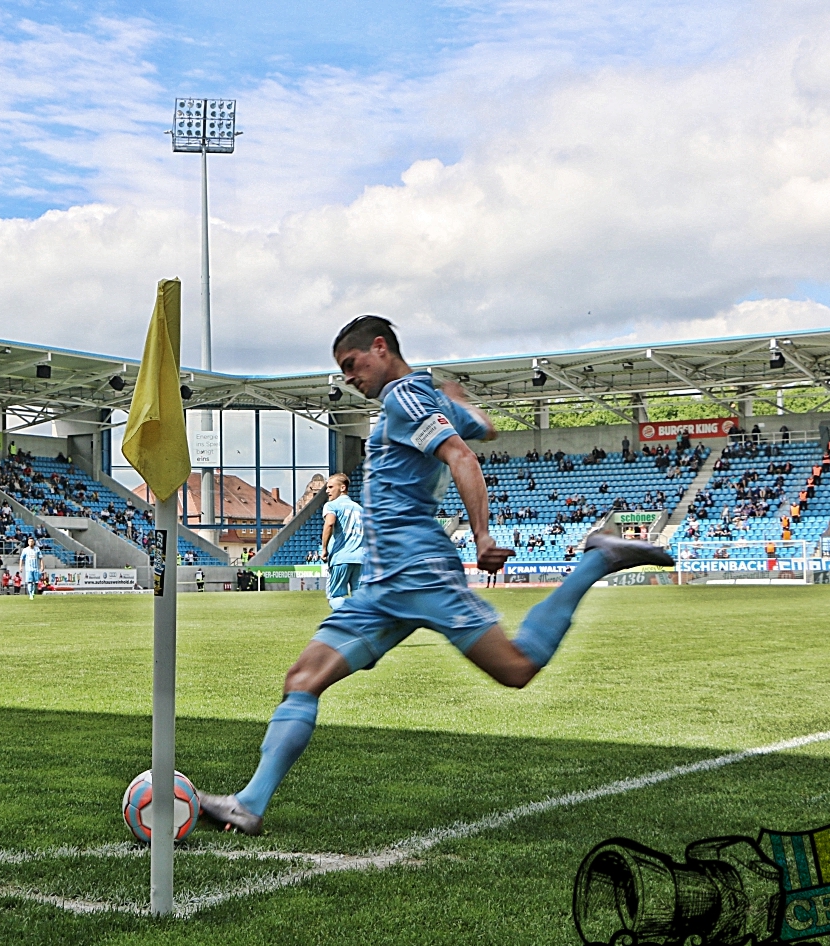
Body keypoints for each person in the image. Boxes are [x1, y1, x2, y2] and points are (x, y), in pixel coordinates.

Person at [197, 316, 674, 836]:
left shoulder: (404, 398)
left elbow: (462, 454)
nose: (349, 379)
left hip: (419, 571)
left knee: (516, 668)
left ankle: (596, 560)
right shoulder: (423, 400)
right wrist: (459, 402)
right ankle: (249, 803)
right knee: (302, 680)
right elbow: (483, 429)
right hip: (383, 585)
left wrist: (483, 536)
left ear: (380, 348)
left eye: (352, 365)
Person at [319, 473, 365, 610]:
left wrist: (324, 549)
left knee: (334, 596)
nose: (327, 491)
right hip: (361, 559)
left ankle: (348, 616)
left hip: (341, 557)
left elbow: (329, 524)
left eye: (331, 487)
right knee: (359, 597)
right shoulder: (360, 509)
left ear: (343, 487)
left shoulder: (332, 505)